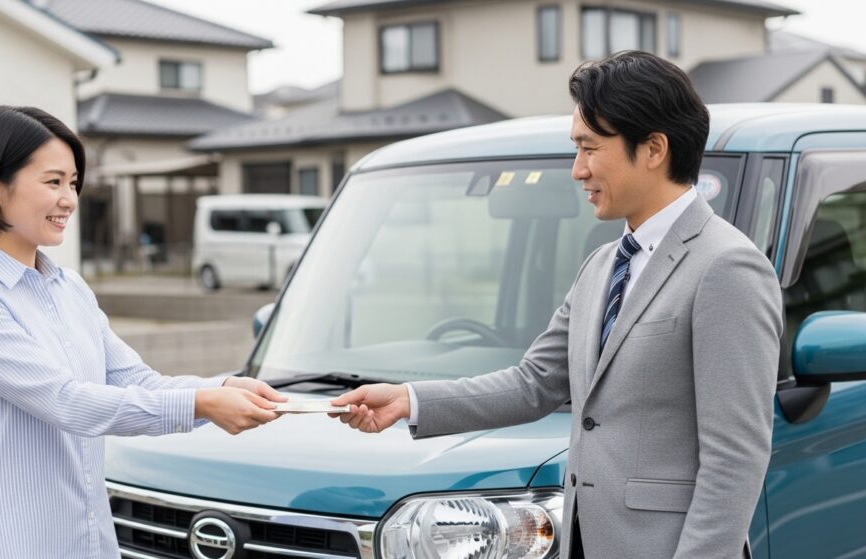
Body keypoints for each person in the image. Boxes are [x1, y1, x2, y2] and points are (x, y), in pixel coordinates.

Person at [331, 51, 782, 559]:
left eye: (589, 148)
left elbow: (736, 457)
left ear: (654, 148)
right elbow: (534, 383)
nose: (577, 170)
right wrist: (408, 400)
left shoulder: (726, 268)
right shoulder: (602, 265)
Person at [0, 106, 285, 558]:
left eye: (73, 183)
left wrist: (223, 387)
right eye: (53, 182)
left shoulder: (69, 288)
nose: (70, 200)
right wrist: (202, 403)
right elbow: (65, 401)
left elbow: (136, 382)